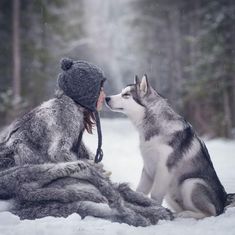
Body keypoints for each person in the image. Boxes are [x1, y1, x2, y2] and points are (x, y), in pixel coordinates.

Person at [0, 58, 173, 226]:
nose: (104, 94)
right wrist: (92, 175)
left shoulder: (67, 108)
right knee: (89, 193)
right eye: (100, 89)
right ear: (85, 92)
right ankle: (131, 210)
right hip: (16, 176)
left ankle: (136, 206)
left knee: (98, 186)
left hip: (22, 172)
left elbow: (75, 153)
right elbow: (59, 155)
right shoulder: (63, 111)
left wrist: (95, 171)